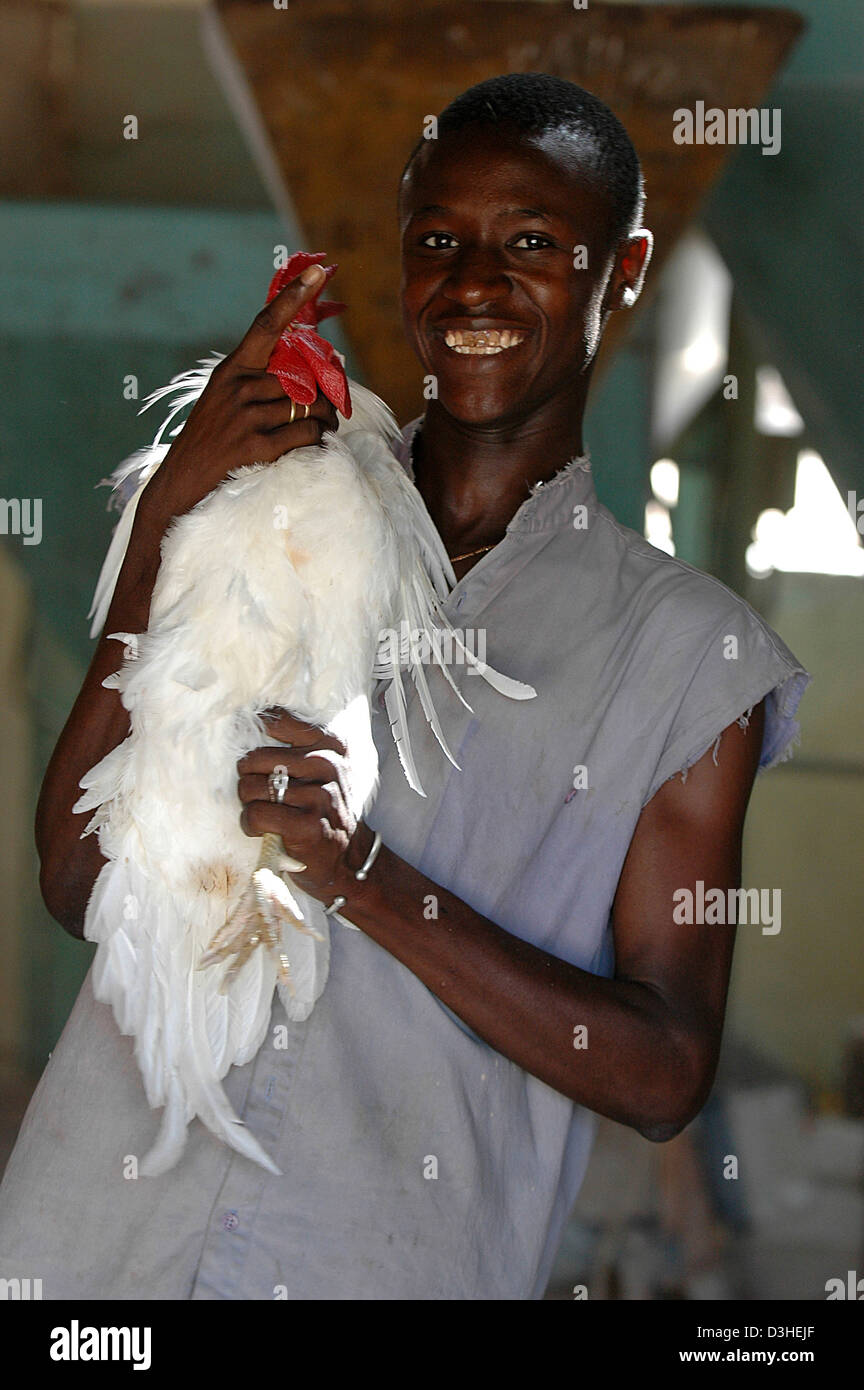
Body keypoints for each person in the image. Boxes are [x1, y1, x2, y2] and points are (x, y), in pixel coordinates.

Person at [0, 73, 808, 1300]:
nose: (475, 283)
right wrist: (167, 517)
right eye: (440, 241)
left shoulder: (689, 658)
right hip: (90, 1265)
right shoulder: (263, 510)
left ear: (624, 268)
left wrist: (362, 876)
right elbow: (74, 880)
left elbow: (664, 1071)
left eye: (533, 242)